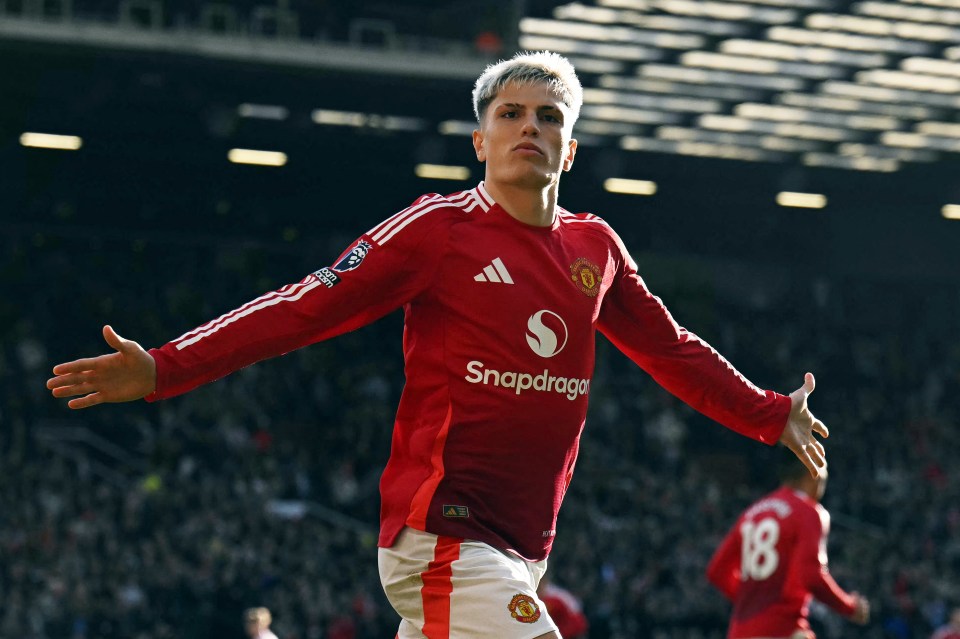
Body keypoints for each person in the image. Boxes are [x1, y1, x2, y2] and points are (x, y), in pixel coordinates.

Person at [48, 50, 829, 639]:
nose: (531, 127)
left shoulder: (597, 246)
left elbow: (671, 348)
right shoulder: (438, 230)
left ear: (572, 149)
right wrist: (166, 367)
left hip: (523, 547)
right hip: (443, 533)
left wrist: (769, 413)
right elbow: (305, 307)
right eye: (512, 114)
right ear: (480, 142)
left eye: (549, 117)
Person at [706, 450, 869, 638]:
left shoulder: (751, 514)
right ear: (813, 473)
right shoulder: (809, 512)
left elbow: (716, 572)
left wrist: (756, 604)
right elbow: (811, 575)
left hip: (740, 631)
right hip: (783, 629)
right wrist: (849, 606)